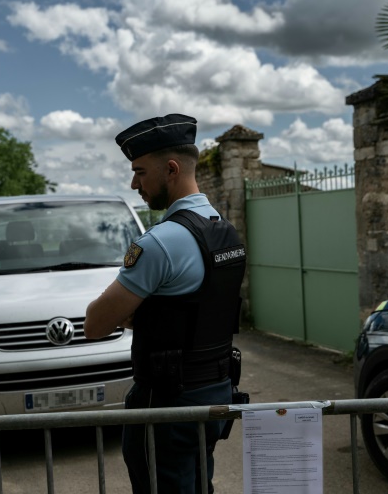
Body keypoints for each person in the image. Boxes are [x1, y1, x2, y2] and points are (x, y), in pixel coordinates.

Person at [84, 113, 247, 494]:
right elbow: (199, 310)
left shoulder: (160, 242)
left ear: (171, 169)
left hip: (167, 404)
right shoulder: (224, 230)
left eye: (140, 172)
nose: (133, 183)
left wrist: (135, 315)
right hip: (216, 392)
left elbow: (95, 323)